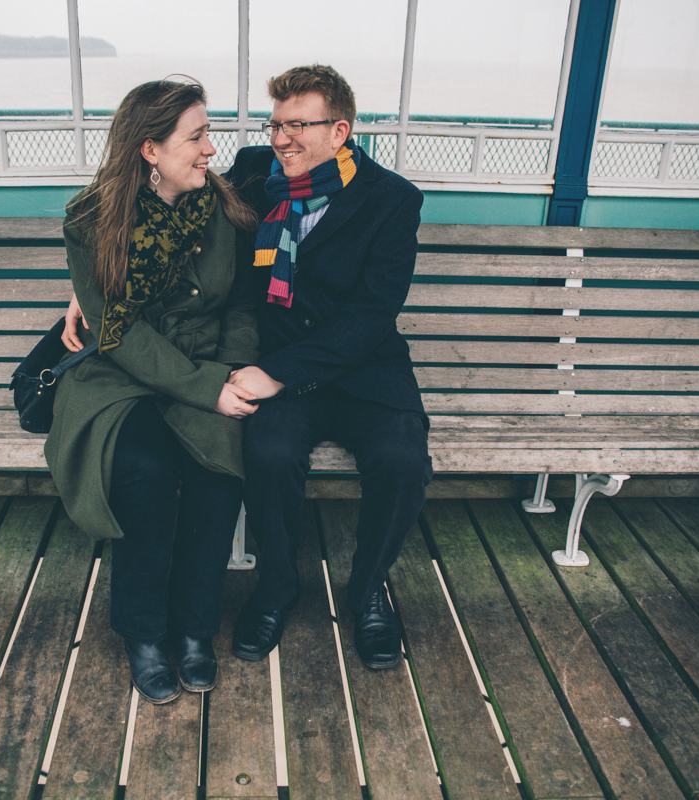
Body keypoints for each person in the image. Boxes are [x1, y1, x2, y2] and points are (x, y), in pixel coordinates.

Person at [45, 78, 261, 704]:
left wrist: (234, 371)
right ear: (149, 149)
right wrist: (205, 388)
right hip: (120, 373)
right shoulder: (91, 221)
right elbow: (117, 329)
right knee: (143, 468)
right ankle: (143, 632)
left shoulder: (222, 209)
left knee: (218, 471)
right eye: (195, 138)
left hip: (209, 368)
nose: (211, 150)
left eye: (208, 135)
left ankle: (195, 629)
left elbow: (243, 305)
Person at [223, 65, 432, 671]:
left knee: (402, 461)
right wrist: (90, 284)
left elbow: (372, 315)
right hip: (288, 374)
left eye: (297, 126)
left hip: (365, 370)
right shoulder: (252, 173)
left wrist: (277, 373)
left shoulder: (391, 199)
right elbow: (167, 205)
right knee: (267, 453)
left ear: (339, 130)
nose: (281, 140)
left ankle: (368, 589)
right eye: (275, 125)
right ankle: (278, 584)